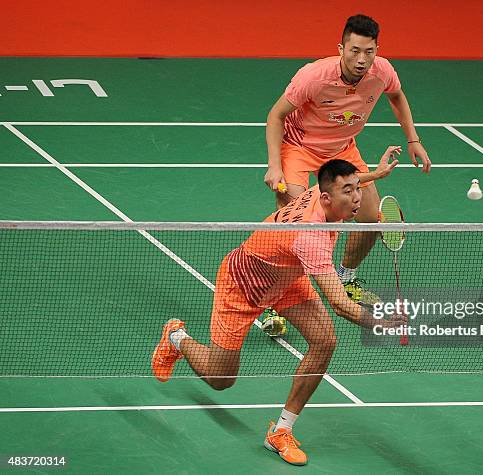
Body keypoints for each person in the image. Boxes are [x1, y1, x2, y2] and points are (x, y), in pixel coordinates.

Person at [152, 157, 403, 466]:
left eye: (357, 189)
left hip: (286, 278)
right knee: (220, 380)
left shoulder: (321, 195)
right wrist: (380, 320)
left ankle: (281, 430)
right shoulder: (311, 237)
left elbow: (346, 181)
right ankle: (176, 337)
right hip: (243, 284)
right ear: (326, 197)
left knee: (325, 340)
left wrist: (374, 175)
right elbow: (339, 304)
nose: (357, 198)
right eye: (348, 192)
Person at [264, 13, 431, 299]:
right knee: (296, 223)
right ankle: (274, 297)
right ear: (342, 49)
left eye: (369, 51)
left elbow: (397, 96)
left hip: (342, 148)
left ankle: (345, 276)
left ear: (377, 50)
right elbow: (275, 116)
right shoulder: (313, 76)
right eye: (354, 51)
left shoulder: (383, 72)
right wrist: (274, 166)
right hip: (299, 147)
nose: (361, 59)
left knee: (369, 217)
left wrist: (413, 140)